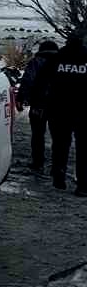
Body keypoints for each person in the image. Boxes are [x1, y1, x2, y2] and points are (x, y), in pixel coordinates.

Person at [47, 29, 87, 195]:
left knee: (60, 145)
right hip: (83, 110)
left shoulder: (56, 58)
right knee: (84, 148)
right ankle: (83, 185)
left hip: (59, 109)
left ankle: (59, 177)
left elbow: (44, 81)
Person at [17, 39, 59, 172]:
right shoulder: (61, 62)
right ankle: (57, 165)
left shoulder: (36, 62)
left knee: (37, 134)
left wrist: (21, 98)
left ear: (41, 49)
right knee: (58, 136)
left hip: (38, 104)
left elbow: (28, 80)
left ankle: (38, 162)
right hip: (58, 105)